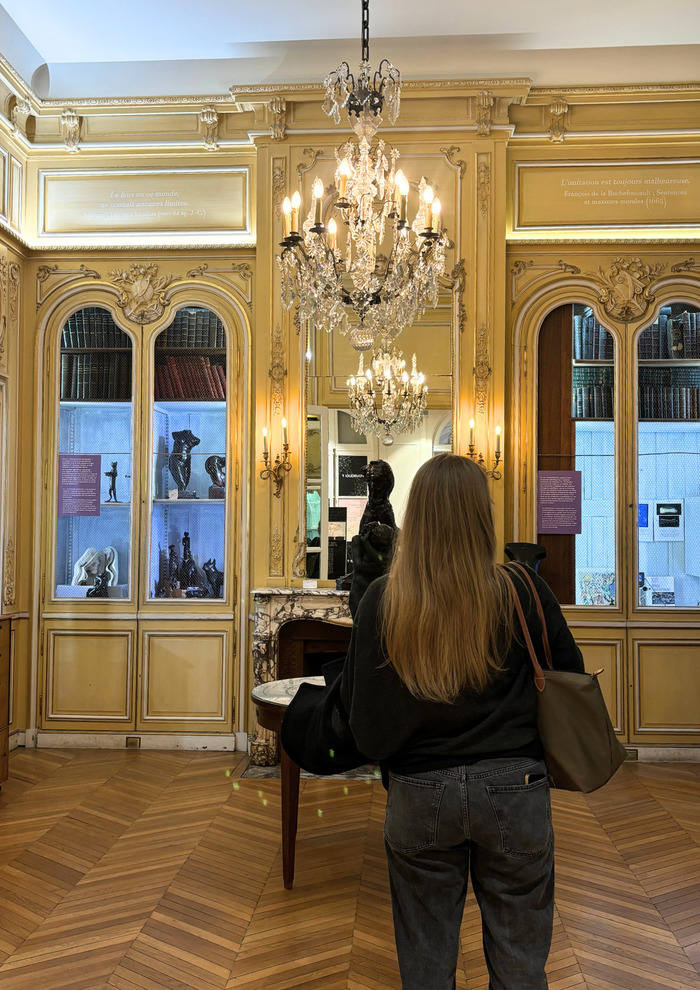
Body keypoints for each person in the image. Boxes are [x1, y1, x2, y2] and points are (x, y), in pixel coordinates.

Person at [337, 453, 585, 990]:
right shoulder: (523, 590)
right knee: (521, 967)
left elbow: (367, 729)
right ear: (483, 517)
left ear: (415, 518)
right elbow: (570, 677)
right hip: (516, 791)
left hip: (419, 795)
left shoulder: (384, 601)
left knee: (425, 967)